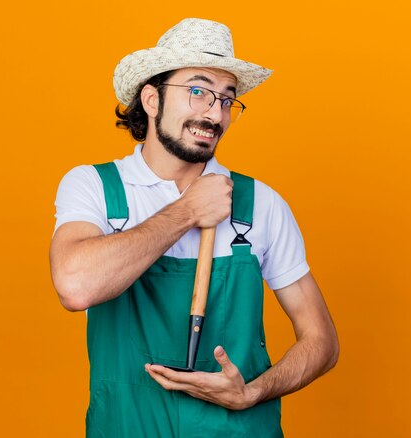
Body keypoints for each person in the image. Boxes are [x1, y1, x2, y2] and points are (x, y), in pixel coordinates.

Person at [50, 18, 339, 437]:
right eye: (198, 91)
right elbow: (75, 287)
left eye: (227, 99)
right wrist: (186, 212)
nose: (214, 112)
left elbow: (322, 342)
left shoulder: (260, 204)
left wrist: (253, 392)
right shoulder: (95, 186)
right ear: (151, 99)